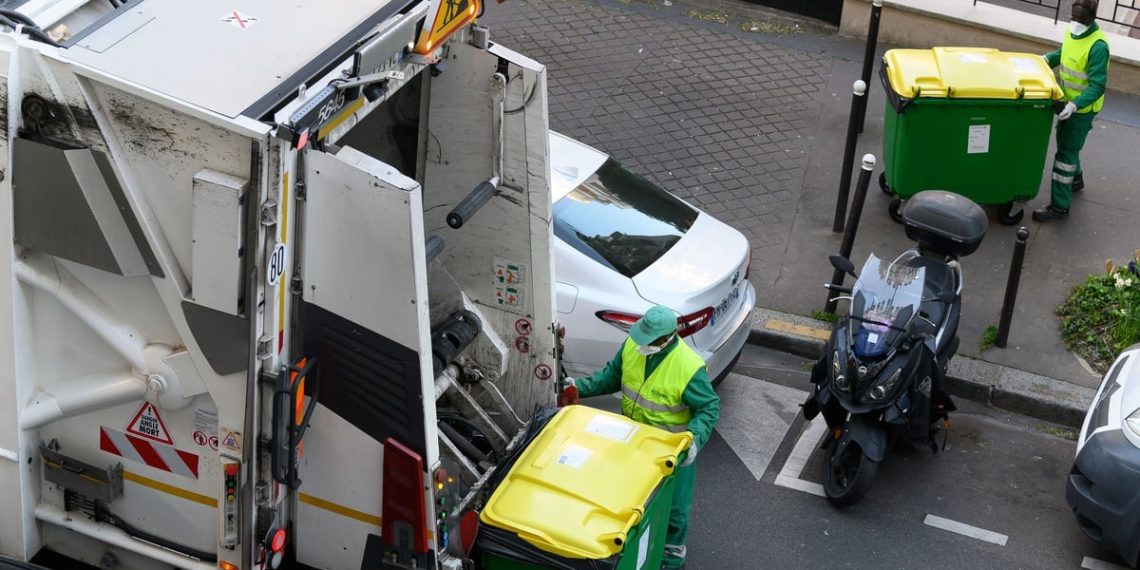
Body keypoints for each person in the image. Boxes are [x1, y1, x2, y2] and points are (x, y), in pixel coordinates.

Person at [562, 305, 720, 570]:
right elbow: (611, 377)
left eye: (650, 340)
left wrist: (693, 441)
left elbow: (708, 408)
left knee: (675, 512)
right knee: (627, 501)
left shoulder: (688, 367)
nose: (643, 344)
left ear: (668, 338)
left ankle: (671, 560)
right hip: (632, 442)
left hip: (670, 452)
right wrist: (578, 387)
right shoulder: (633, 346)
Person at [1034, 0, 1110, 222]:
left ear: (1090, 19)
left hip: (1083, 109)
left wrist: (1075, 105)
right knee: (1065, 141)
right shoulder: (1072, 31)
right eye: (1073, 19)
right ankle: (1076, 180)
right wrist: (1046, 60)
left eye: (1079, 20)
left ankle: (1059, 207)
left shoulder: (1098, 47)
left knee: (1065, 154)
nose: (1075, 23)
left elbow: (1097, 86)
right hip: (1068, 101)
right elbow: (1066, 52)